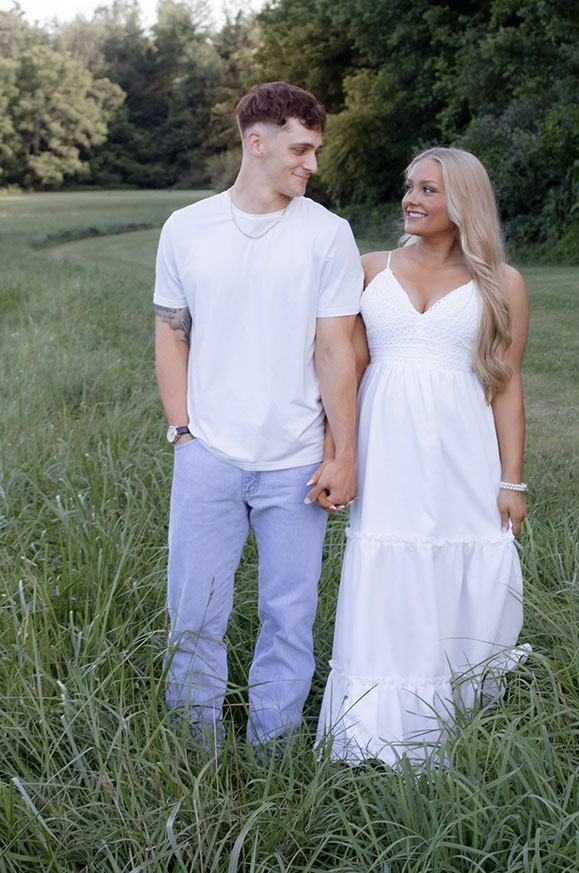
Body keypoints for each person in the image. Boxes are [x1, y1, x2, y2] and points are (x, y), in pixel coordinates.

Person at [153, 82, 363, 749]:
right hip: (208, 454)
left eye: (316, 150)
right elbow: (171, 332)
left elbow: (335, 350)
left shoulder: (328, 235)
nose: (313, 164)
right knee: (195, 613)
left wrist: (343, 452)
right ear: (257, 142)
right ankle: (195, 751)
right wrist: (184, 430)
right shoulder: (186, 228)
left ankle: (275, 750)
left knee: (290, 615)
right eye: (302, 148)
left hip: (297, 461)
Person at [314, 147, 530, 765]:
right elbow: (344, 369)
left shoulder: (503, 283)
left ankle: (457, 716)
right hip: (387, 448)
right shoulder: (369, 268)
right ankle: (378, 737)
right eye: (410, 186)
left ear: (462, 202)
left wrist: (512, 480)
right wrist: (336, 454)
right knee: (389, 564)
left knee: (463, 567)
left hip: (463, 449)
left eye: (429, 190)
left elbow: (506, 383)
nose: (411, 198)